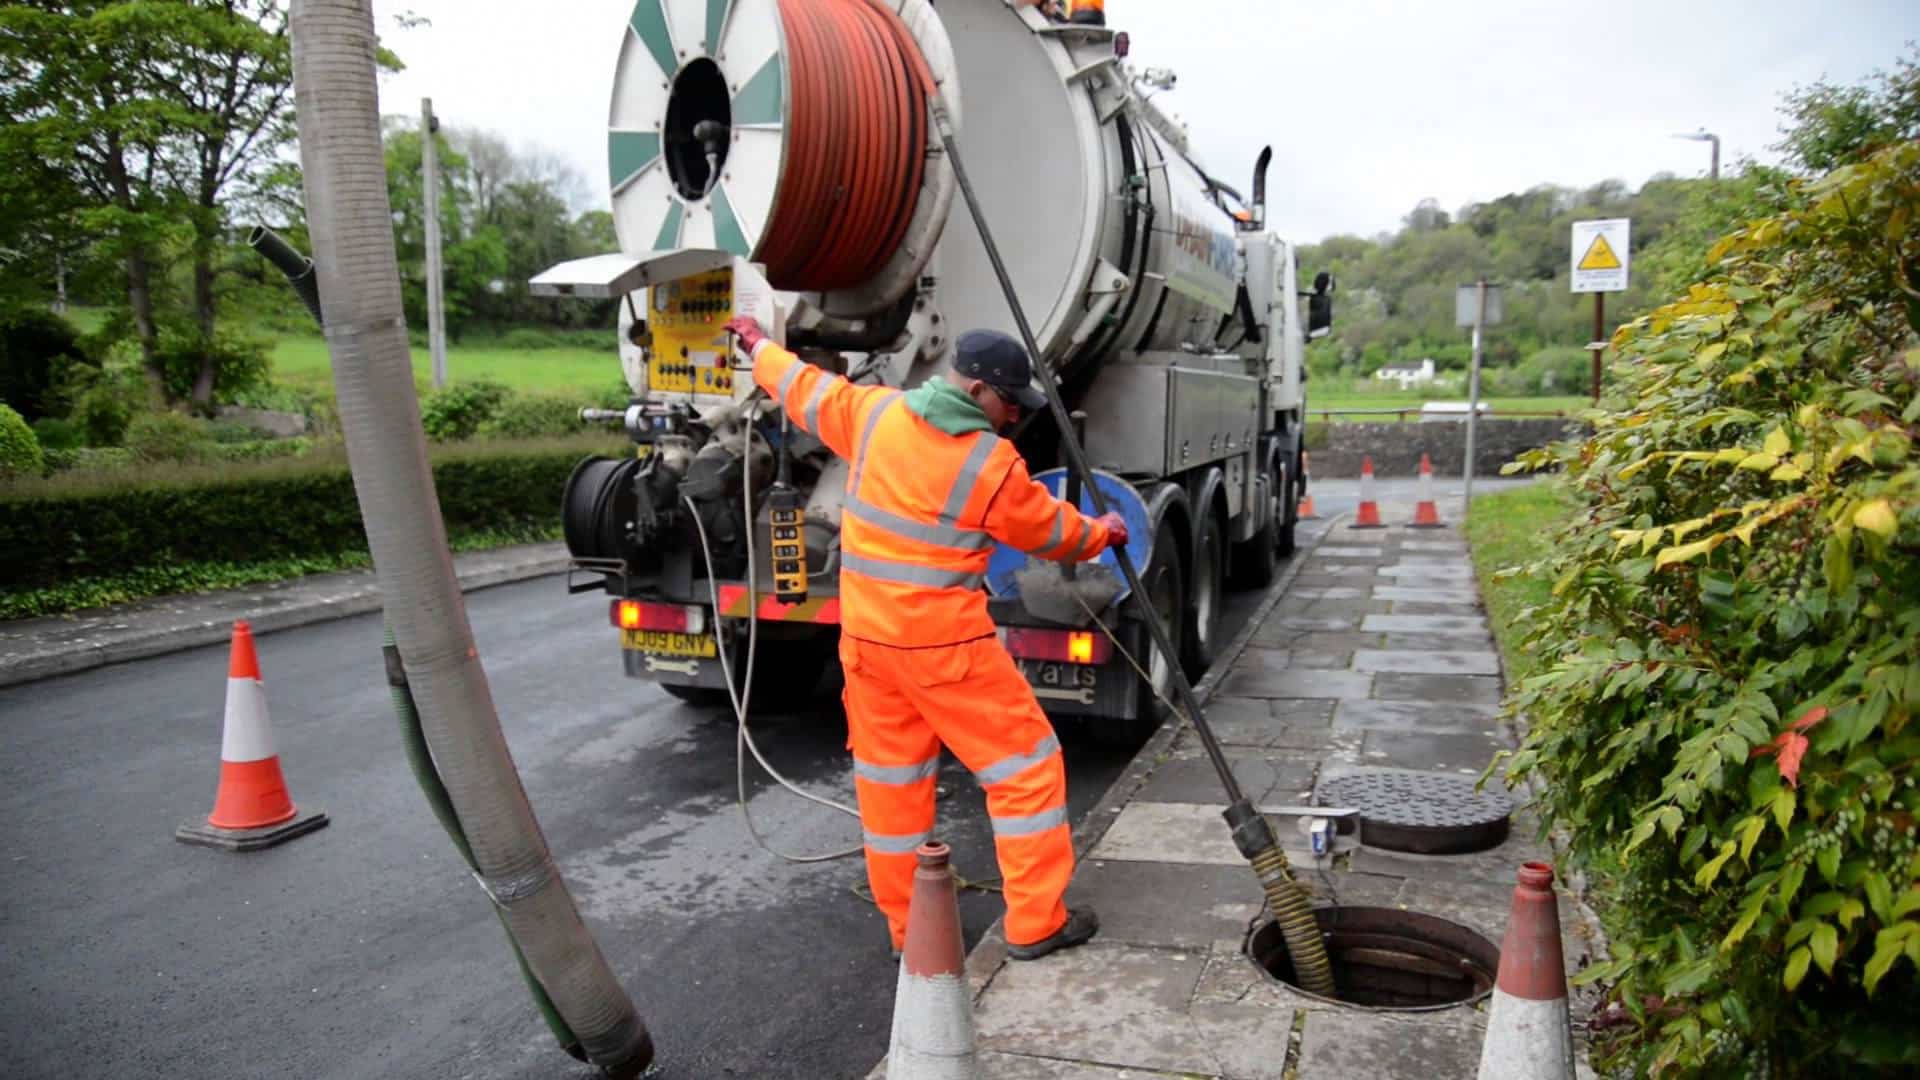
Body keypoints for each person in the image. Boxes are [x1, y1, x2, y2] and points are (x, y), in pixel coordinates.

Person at [726, 314, 1128, 961]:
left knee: (891, 794)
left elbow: (800, 386)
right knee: (1026, 770)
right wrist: (1102, 531)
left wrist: (755, 344)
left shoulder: (875, 415)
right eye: (1006, 404)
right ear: (976, 392)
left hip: (868, 649)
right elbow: (1047, 531)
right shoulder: (989, 462)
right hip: (948, 652)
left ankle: (913, 935)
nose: (1010, 418)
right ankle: (1034, 922)